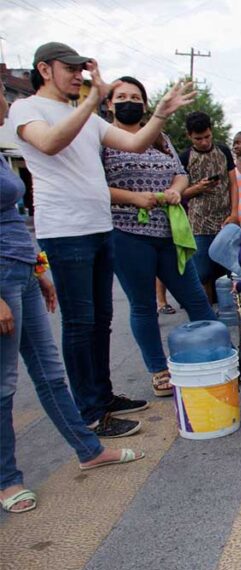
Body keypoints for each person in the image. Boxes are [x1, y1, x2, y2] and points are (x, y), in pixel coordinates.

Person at [8, 41, 194, 437]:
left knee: (101, 321)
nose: (79, 75)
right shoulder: (28, 109)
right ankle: (90, 413)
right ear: (45, 69)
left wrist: (160, 112)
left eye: (83, 69)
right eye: (71, 69)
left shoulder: (85, 116)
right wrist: (93, 97)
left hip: (99, 227)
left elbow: (135, 142)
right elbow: (50, 143)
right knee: (79, 323)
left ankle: (104, 396)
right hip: (65, 230)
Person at [1, 84, 144, 514]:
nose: (5, 104)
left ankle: (88, 448)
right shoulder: (31, 116)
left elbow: (14, 218)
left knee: (49, 373)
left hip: (20, 269)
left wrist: (38, 271)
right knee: (4, 384)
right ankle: (7, 479)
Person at [102, 76, 216, 398]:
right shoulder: (101, 138)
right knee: (142, 306)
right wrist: (134, 198)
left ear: (146, 103)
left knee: (196, 298)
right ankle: (159, 369)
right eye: (122, 96)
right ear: (110, 103)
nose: (129, 101)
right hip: (127, 233)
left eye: (136, 96)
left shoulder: (159, 136)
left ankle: (213, 355)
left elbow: (180, 172)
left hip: (169, 232)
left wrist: (177, 190)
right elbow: (94, 186)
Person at [180, 111, 239, 302]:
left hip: (225, 220)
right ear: (189, 135)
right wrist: (197, 188)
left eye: (207, 137)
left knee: (227, 269)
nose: (204, 142)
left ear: (211, 131)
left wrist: (234, 213)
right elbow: (179, 193)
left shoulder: (223, 151)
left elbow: (233, 184)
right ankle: (205, 308)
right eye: (198, 139)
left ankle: (227, 307)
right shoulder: (185, 157)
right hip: (199, 223)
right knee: (203, 271)